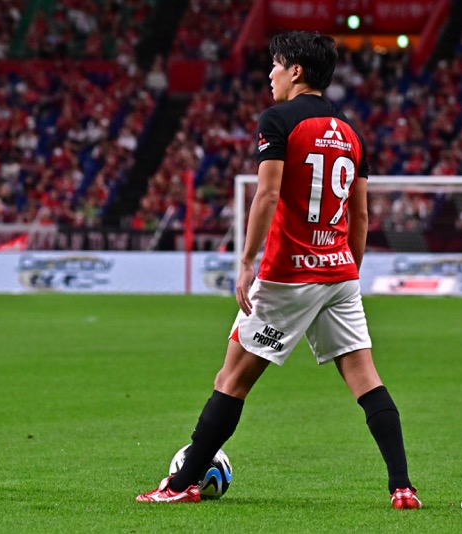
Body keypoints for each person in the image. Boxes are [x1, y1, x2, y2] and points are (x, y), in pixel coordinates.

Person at [136, 31, 422, 509]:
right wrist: (347, 271)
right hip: (339, 273)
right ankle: (403, 487)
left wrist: (246, 262)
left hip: (289, 276)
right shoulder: (352, 132)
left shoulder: (278, 121)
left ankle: (181, 484)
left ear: (296, 72)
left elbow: (267, 195)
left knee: (232, 380)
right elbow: (361, 216)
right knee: (365, 379)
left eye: (276, 65)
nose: (270, 74)